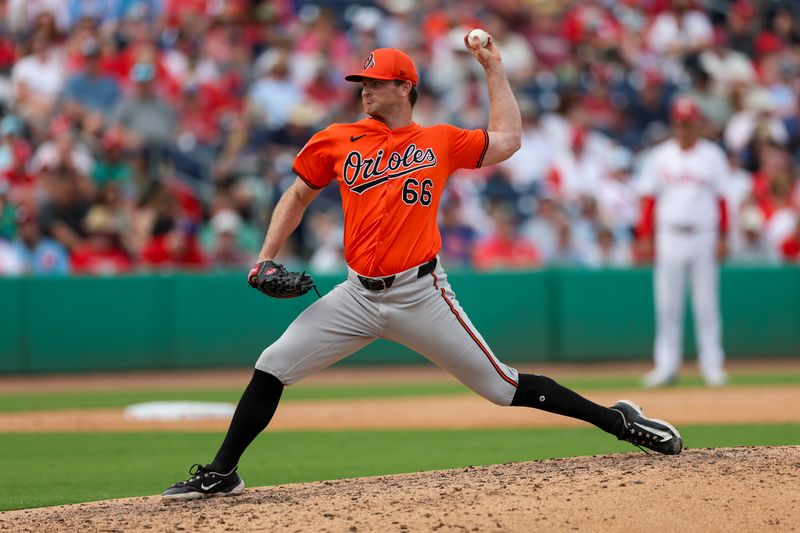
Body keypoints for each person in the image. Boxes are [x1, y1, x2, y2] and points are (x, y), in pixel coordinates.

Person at [162, 36, 683, 500]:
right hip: (357, 295)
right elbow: (297, 195)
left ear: (405, 87)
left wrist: (493, 69)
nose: (365, 88)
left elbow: (508, 140)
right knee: (273, 364)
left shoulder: (438, 140)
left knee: (502, 387)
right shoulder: (338, 138)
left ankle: (619, 422)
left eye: (377, 81)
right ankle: (222, 473)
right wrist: (265, 258)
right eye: (362, 80)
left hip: (421, 294)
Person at [636, 97, 730, 388]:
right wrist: (644, 236)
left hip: (704, 233)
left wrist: (724, 236)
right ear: (674, 124)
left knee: (706, 303)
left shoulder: (712, 155)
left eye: (689, 123)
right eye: (679, 123)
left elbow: (722, 199)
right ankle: (666, 365)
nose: (684, 129)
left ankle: (712, 364)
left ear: (698, 124)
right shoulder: (661, 155)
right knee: (668, 304)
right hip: (669, 234)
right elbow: (649, 199)